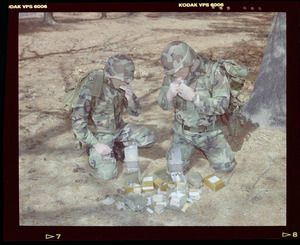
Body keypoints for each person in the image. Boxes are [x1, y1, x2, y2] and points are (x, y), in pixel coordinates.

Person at [72, 54, 156, 180]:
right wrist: (96, 144)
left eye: (127, 80)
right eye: (122, 80)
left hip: (118, 129)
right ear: (110, 75)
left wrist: (131, 98)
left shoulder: (121, 85)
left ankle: (114, 145)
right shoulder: (92, 88)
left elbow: (136, 112)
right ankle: (94, 150)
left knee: (149, 138)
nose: (125, 83)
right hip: (99, 135)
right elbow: (78, 124)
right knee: (108, 174)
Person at [157, 41, 235, 177]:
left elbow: (222, 106)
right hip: (183, 133)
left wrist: (194, 97)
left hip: (210, 133)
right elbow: (163, 104)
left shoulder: (214, 71)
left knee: (225, 166)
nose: (175, 75)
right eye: (172, 73)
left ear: (190, 61)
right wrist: (169, 94)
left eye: (178, 71)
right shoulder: (174, 73)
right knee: (174, 169)